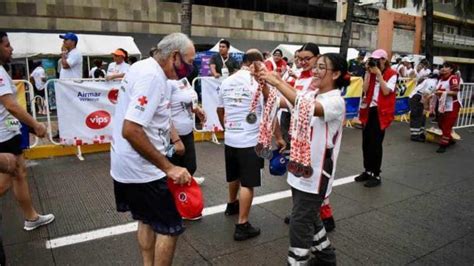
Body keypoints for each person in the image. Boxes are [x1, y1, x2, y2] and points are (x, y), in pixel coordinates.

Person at [110, 32, 194, 266]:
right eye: (189, 61)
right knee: (169, 228)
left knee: (146, 219)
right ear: (174, 57)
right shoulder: (152, 77)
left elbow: (158, 116)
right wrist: (169, 168)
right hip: (143, 169)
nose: (190, 67)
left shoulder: (143, 67)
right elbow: (131, 129)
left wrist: (175, 140)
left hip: (128, 164)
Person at [257, 52, 348, 265]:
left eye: (321, 67)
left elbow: (305, 107)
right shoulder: (310, 94)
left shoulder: (335, 101)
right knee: (309, 215)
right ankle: (326, 256)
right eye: (315, 67)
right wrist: (262, 81)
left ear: (336, 74)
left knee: (300, 220)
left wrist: (277, 81)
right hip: (299, 168)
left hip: (316, 174)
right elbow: (278, 101)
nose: (314, 71)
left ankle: (297, 261)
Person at [216, 49, 282, 241]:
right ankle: (242, 224)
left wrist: (227, 128)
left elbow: (220, 110)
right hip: (250, 140)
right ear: (257, 63)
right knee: (248, 183)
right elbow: (271, 110)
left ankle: (231, 205)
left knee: (234, 175)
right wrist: (278, 137)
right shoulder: (259, 83)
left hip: (231, 138)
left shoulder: (226, 82)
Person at [0, 31, 55, 231]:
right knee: (10, 177)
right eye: (6, 45)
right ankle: (31, 218)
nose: (11, 48)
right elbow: (11, 106)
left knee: (19, 173)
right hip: (3, 136)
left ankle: (31, 217)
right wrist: (36, 125)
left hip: (7, 132)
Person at [355, 49, 398, 187]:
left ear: (384, 60)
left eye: (377, 59)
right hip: (369, 110)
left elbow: (386, 91)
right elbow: (365, 90)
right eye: (373, 59)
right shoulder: (371, 72)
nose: (375, 62)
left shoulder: (392, 74)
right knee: (366, 143)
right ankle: (367, 170)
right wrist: (368, 73)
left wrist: (379, 75)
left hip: (381, 112)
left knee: (375, 144)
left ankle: (376, 174)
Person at [168, 77, 206, 191]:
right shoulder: (167, 82)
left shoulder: (183, 79)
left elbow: (189, 100)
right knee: (173, 168)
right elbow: (163, 114)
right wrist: (176, 140)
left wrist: (198, 110)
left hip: (187, 131)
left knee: (190, 165)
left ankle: (186, 184)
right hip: (172, 135)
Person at [434, 62, 461, 153]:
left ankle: (444, 144)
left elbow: (455, 92)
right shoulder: (441, 79)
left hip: (452, 105)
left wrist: (442, 92)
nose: (444, 68)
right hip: (442, 105)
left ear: (451, 69)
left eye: (446, 67)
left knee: (447, 125)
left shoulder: (453, 78)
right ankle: (449, 139)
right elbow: (436, 90)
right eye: (443, 67)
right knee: (440, 124)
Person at [409, 70, 439, 142]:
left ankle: (420, 133)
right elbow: (425, 94)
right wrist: (425, 106)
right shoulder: (433, 82)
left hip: (419, 97)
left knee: (422, 116)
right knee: (417, 116)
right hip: (418, 97)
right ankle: (415, 135)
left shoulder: (430, 80)